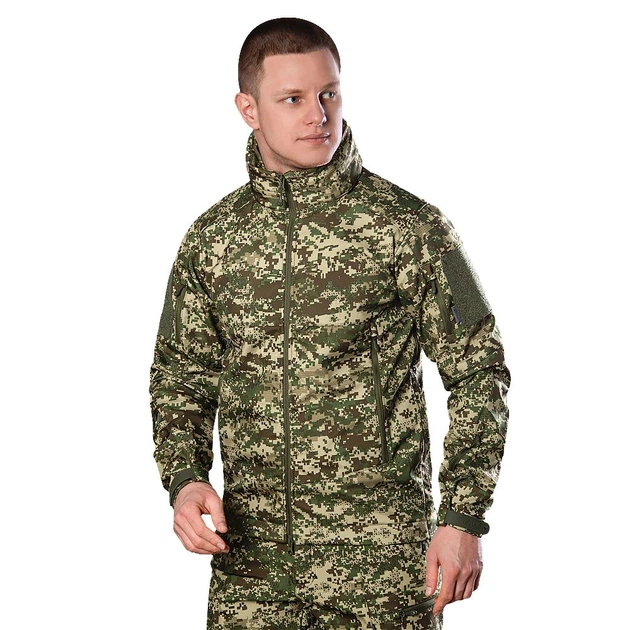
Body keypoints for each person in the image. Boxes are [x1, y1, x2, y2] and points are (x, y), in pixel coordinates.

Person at [150, 17, 510, 630]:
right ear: (248, 109)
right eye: (292, 99)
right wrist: (185, 480)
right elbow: (180, 375)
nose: (318, 115)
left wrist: (463, 518)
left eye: (329, 93)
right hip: (252, 572)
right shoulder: (212, 240)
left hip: (382, 568)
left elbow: (480, 370)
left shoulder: (410, 227)